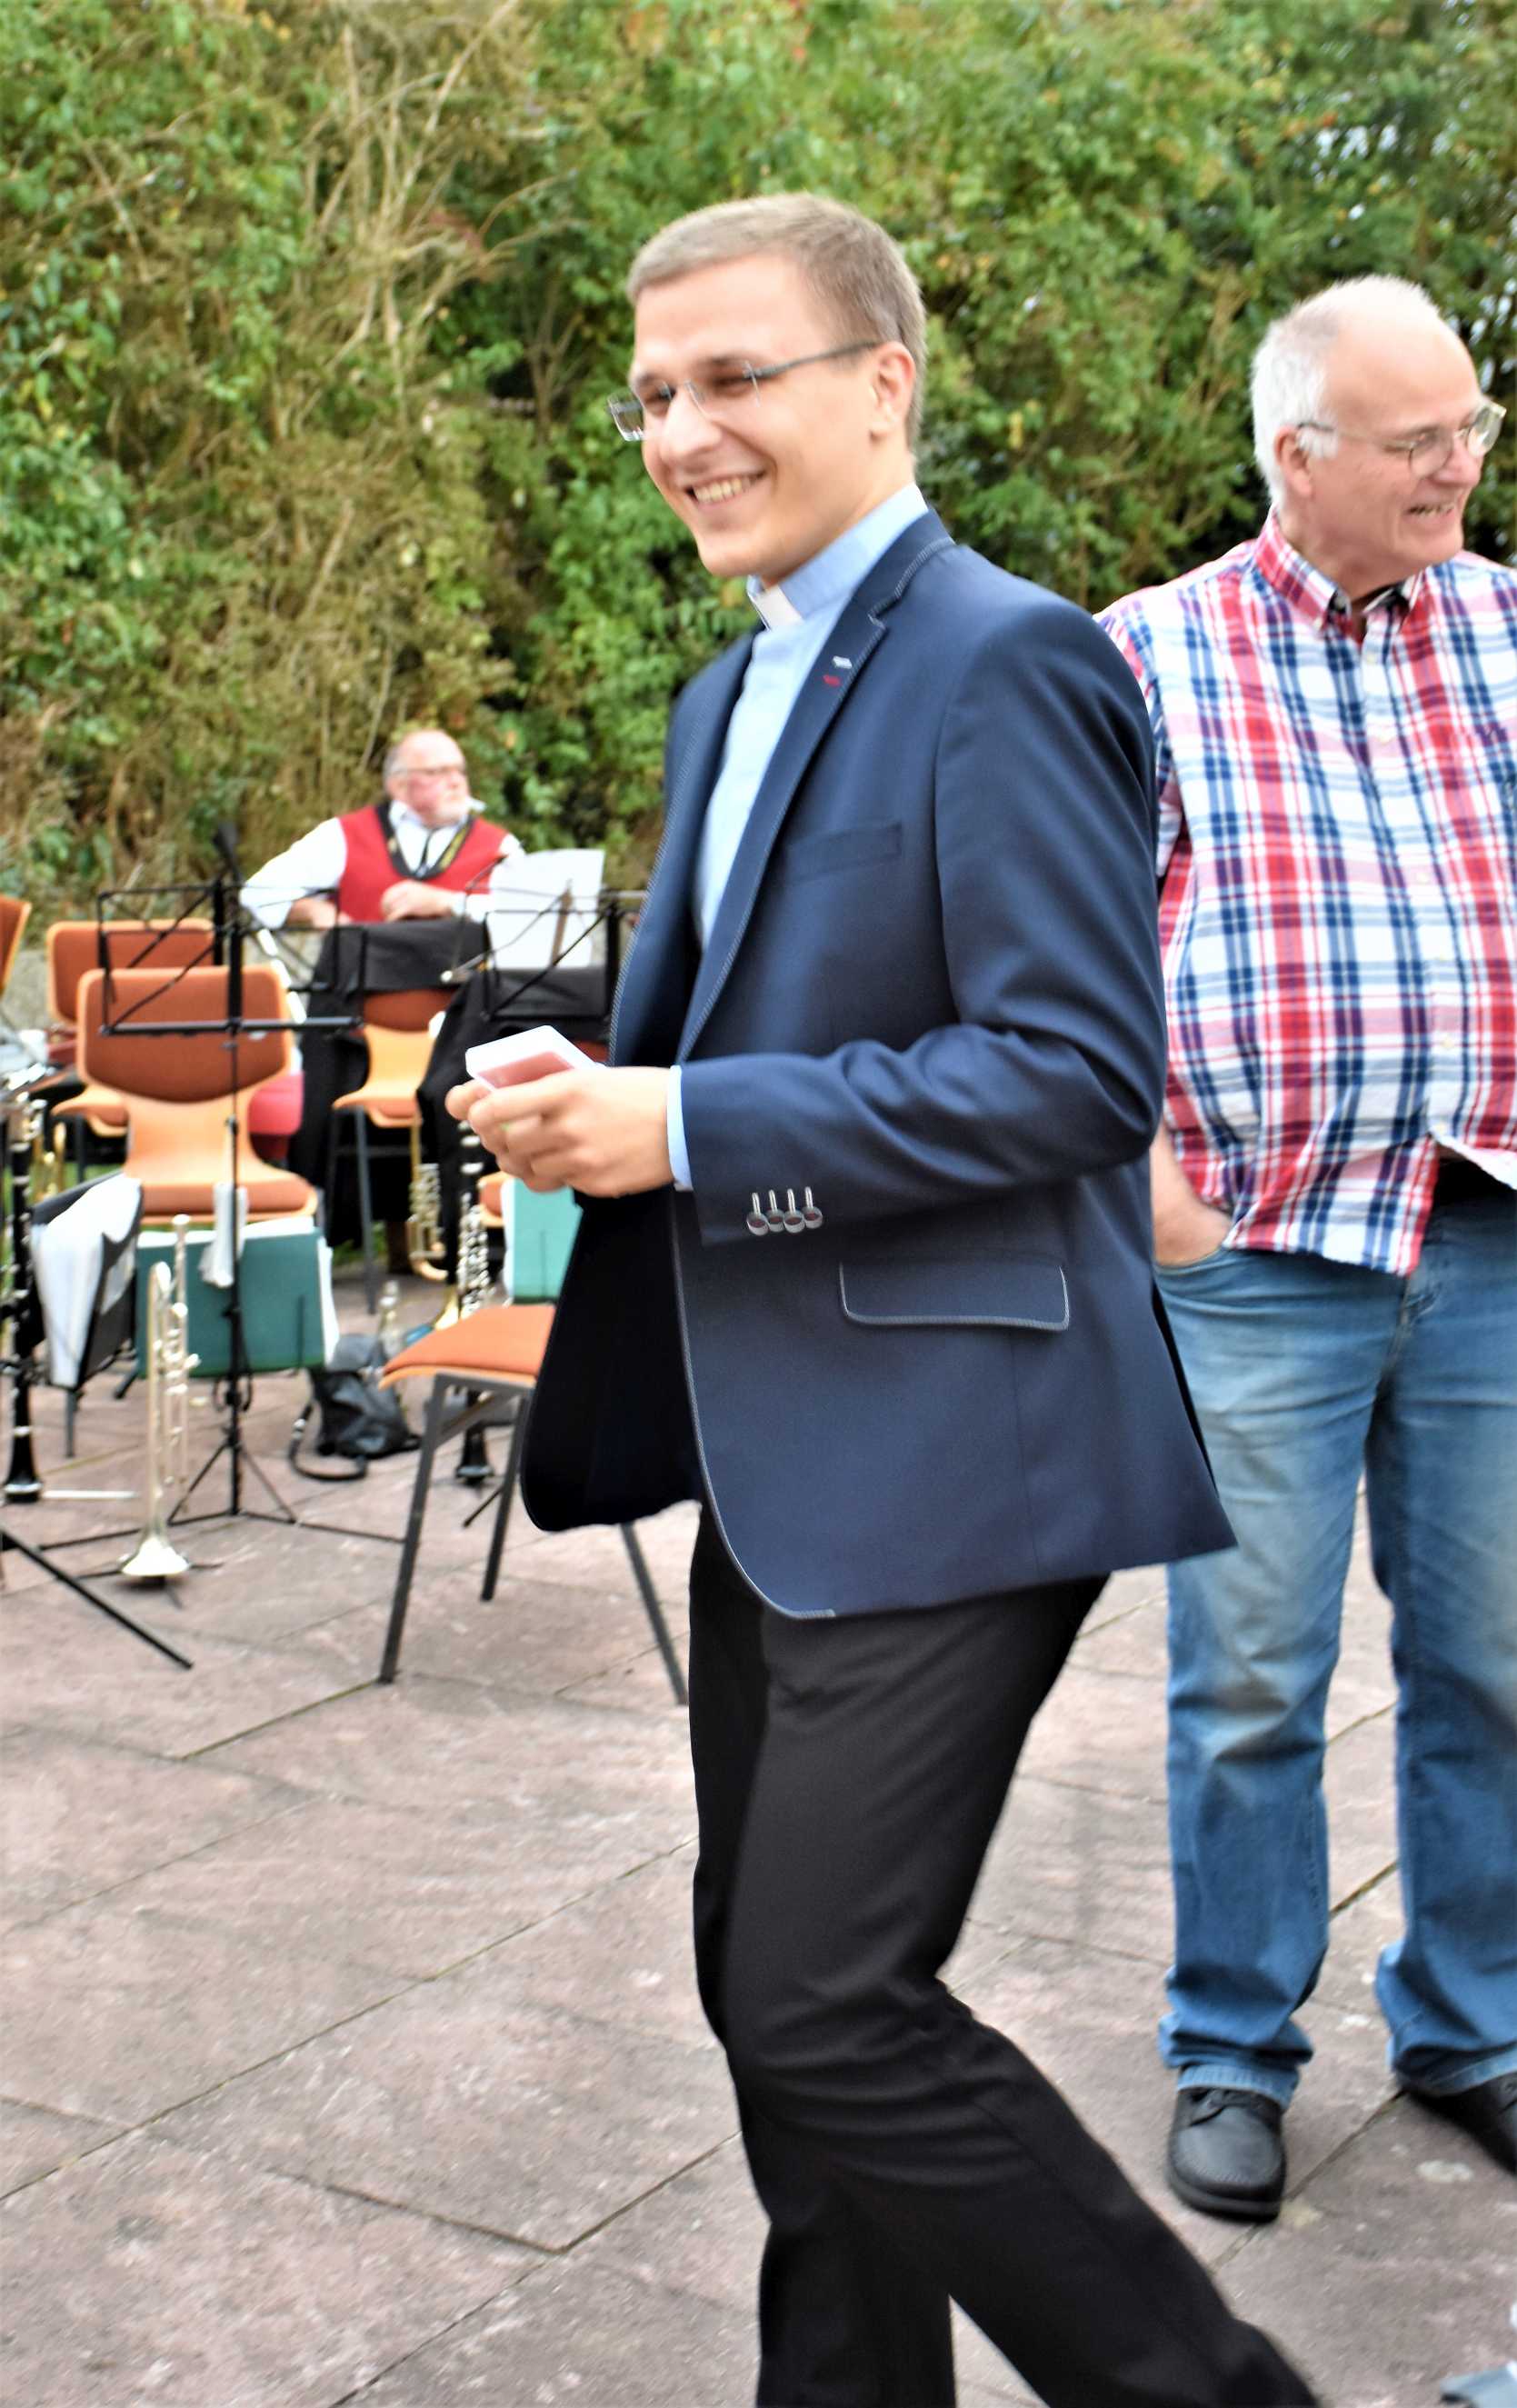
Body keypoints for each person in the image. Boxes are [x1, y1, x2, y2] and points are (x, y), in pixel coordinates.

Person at [453, 195, 1314, 2407]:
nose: (681, 429)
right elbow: (784, 1015)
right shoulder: (727, 689)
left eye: (733, 376)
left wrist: (683, 1122)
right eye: (652, 393)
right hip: (771, 1451)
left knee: (827, 2001)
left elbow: (1073, 1071)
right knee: (771, 2005)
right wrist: (593, 1083)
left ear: (882, 384)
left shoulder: (1007, 657)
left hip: (959, 1449)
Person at [1099, 275, 1516, 2224]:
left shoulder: (1507, 631)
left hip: (1488, 1227)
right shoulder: (1145, 656)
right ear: (1297, 454)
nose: (1459, 465)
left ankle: (1474, 2022)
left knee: (1492, 1664)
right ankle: (1230, 2041)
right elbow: (1056, 952)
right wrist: (1145, 1187)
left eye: (1470, 427)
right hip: (1256, 1243)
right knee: (1251, 1678)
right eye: (1419, 438)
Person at [240, 727, 520, 929]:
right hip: (361, 992)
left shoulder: (500, 846)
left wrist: (449, 903)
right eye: (438, 772)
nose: (456, 782)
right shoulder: (345, 834)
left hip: (465, 994)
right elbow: (258, 892)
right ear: (399, 785)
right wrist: (312, 910)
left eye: (460, 771)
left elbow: (528, 918)